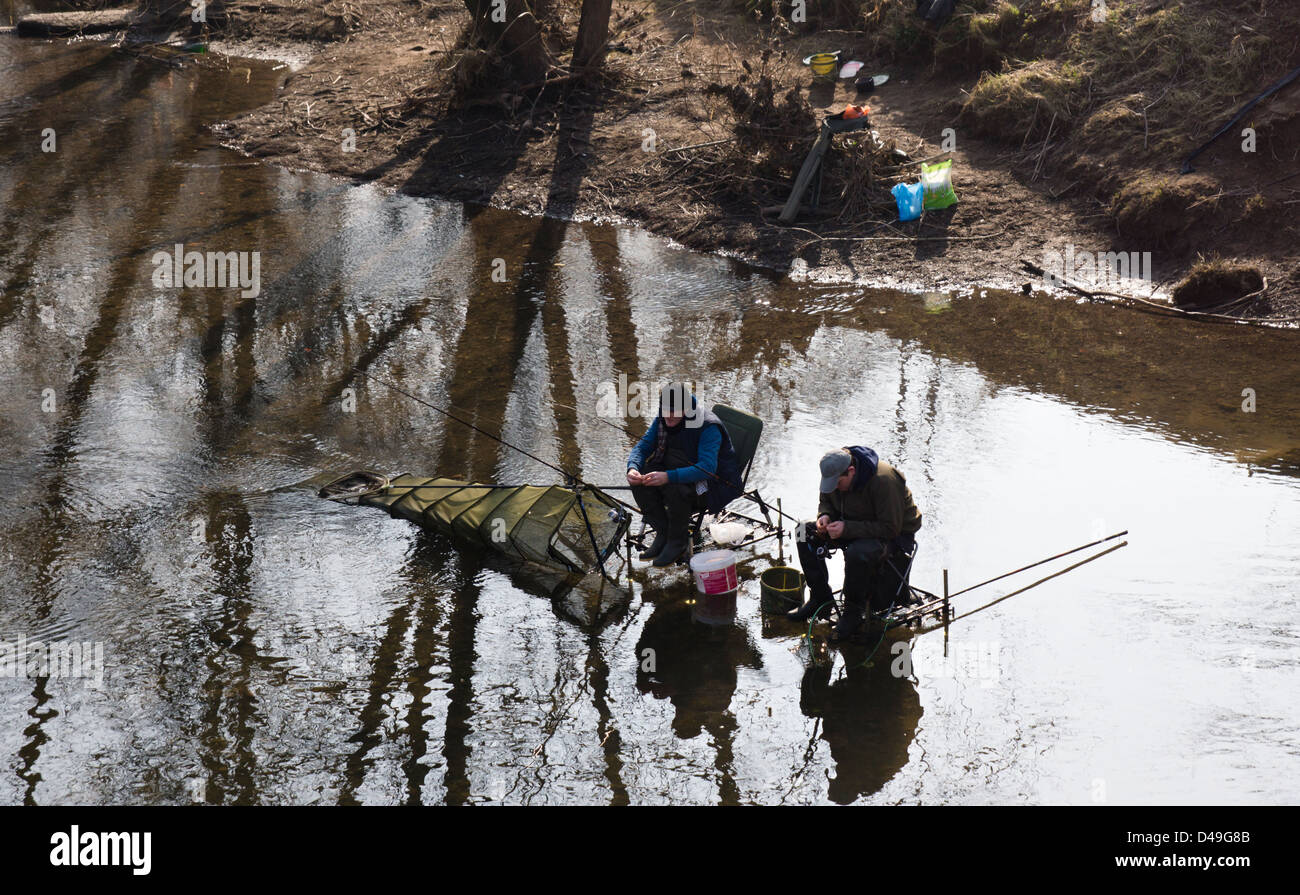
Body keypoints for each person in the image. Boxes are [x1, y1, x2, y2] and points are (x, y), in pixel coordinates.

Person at [787, 446, 922, 639]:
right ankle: (820, 597)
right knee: (802, 530)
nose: (833, 487)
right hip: (849, 524)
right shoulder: (833, 473)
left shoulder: (884, 481)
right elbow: (825, 499)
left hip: (893, 536)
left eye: (837, 483)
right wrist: (824, 516)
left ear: (851, 471)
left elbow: (889, 528)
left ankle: (853, 612)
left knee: (857, 552)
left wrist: (846, 529)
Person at [626, 383, 741, 567]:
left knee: (675, 488)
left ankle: (677, 541)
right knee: (641, 481)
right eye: (665, 410)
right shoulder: (663, 418)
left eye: (675, 411)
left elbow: (707, 467)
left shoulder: (707, 426)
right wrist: (633, 468)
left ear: (687, 409)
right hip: (678, 468)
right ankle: (663, 532)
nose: (669, 415)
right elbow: (642, 446)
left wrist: (667, 477)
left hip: (711, 486)